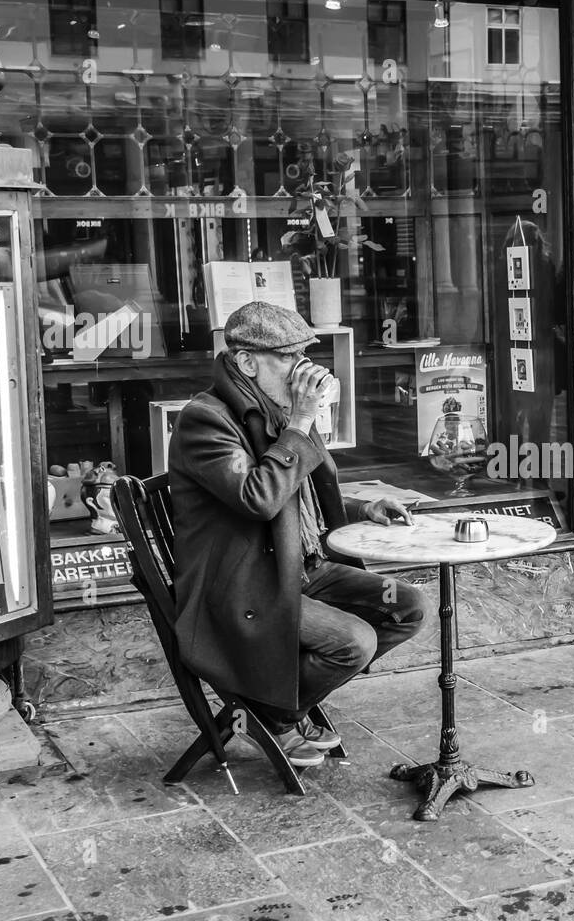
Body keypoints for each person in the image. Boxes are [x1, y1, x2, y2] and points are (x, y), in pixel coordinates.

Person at [169, 302, 428, 766]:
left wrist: (362, 507)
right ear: (246, 362)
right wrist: (301, 423)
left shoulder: (274, 410)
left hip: (297, 566)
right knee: (354, 642)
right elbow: (259, 498)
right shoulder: (204, 419)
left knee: (408, 607)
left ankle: (283, 704)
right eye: (289, 357)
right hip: (243, 586)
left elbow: (296, 495)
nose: (303, 369)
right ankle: (273, 714)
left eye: (304, 355)